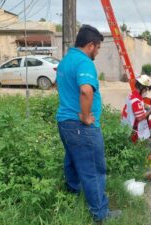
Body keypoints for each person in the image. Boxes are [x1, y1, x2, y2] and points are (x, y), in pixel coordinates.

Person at [56, 25, 121, 222]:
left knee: (72, 160)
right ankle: (100, 214)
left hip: (65, 122)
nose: (98, 52)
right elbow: (86, 90)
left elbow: (62, 87)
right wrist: (85, 117)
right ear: (91, 45)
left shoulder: (66, 60)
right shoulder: (84, 62)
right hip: (80, 126)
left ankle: (72, 194)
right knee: (93, 169)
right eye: (98, 48)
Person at [121, 74, 151, 142]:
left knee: (150, 123)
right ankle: (139, 141)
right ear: (142, 87)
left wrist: (147, 106)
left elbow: (139, 105)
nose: (146, 91)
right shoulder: (136, 101)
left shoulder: (132, 94)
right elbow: (140, 118)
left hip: (125, 123)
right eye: (146, 89)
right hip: (132, 127)